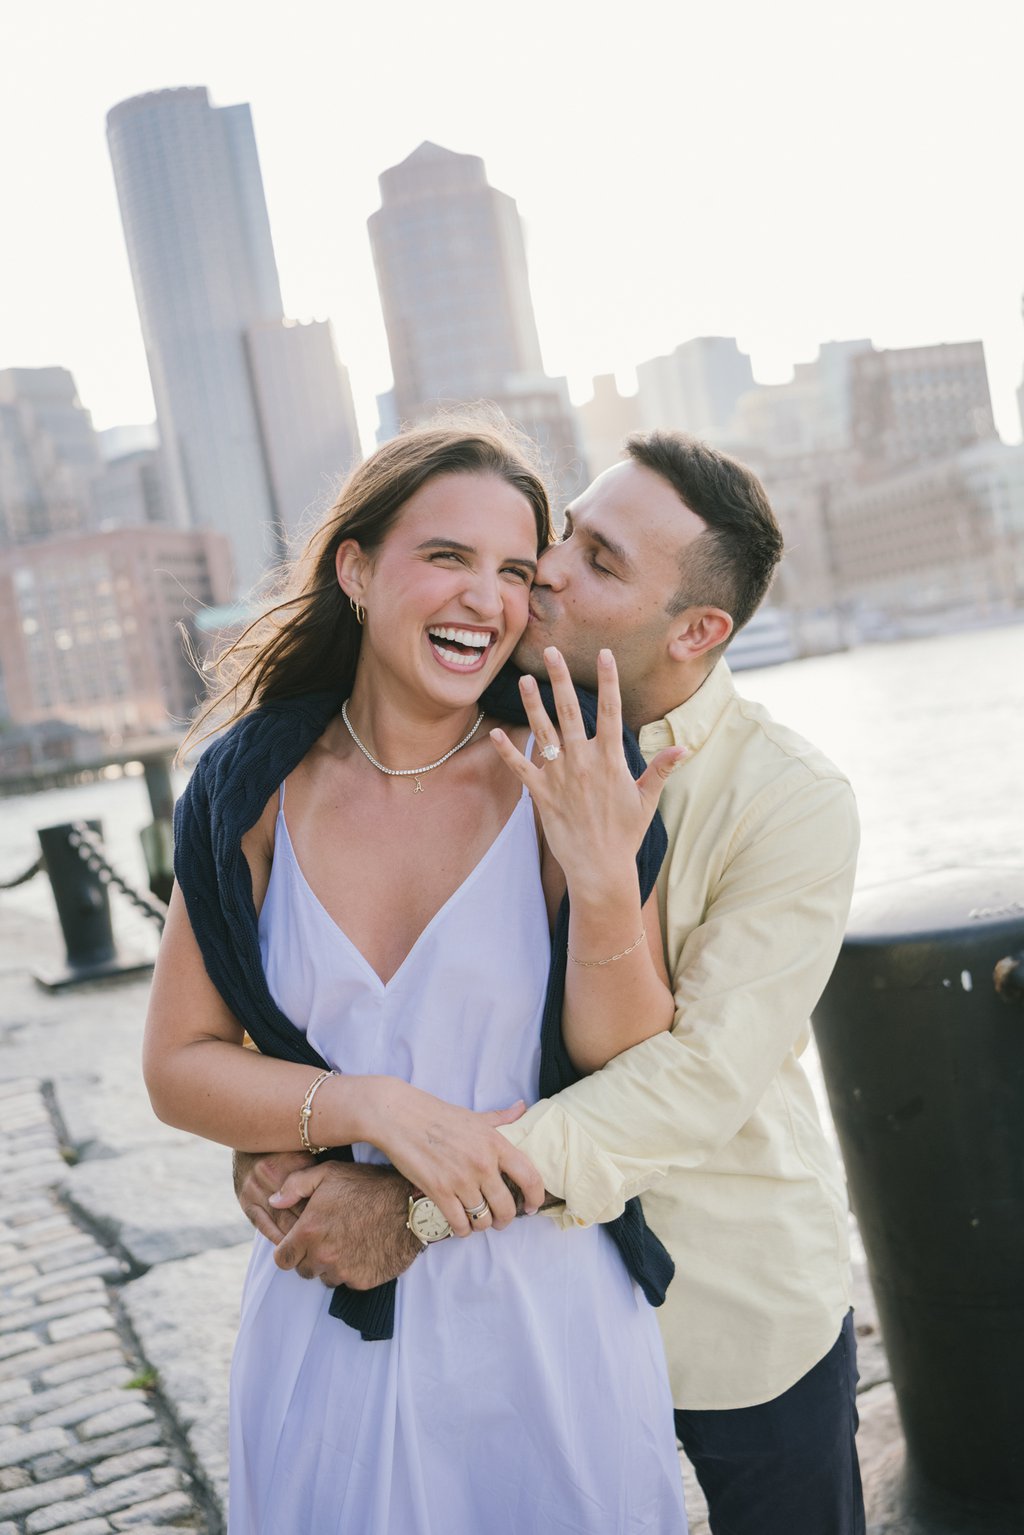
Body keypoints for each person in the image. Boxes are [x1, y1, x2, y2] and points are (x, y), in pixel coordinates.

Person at [239, 430, 865, 1535]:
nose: (548, 569)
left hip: (727, 1298)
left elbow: (694, 1081)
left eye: (602, 561)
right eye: (566, 530)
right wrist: (282, 1116)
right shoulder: (459, 718)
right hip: (514, 1318)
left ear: (696, 629)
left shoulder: (790, 800)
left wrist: (419, 1204)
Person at [145, 423, 690, 1534]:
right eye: (446, 555)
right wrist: (366, 1105)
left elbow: (624, 1061)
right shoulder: (247, 789)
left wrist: (597, 883)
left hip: (549, 1320)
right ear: (355, 567)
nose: (483, 599)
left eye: (515, 572)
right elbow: (176, 1065)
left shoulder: (570, 759)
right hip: (325, 1322)